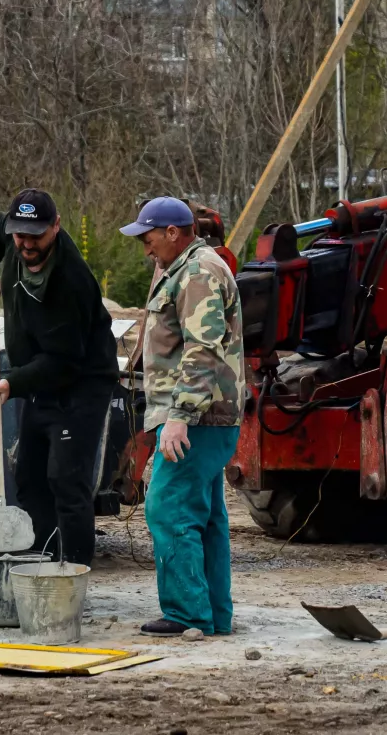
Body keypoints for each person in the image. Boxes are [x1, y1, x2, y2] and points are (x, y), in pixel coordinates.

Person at [121, 196, 245, 638]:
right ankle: (212, 614)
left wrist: (180, 416)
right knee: (205, 514)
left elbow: (202, 349)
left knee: (168, 507)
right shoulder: (184, 268)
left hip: (198, 417)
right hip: (206, 415)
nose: (146, 248)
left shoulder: (196, 273)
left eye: (149, 238)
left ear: (173, 232)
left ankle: (188, 615)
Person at [0, 189, 116, 566]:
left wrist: (12, 384)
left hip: (79, 383)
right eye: (20, 236)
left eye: (36, 236)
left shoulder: (71, 282)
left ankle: (72, 573)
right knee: (30, 477)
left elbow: (63, 361)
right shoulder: (16, 231)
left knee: (66, 480)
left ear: (56, 226)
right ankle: (41, 564)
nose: (25, 244)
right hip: (38, 378)